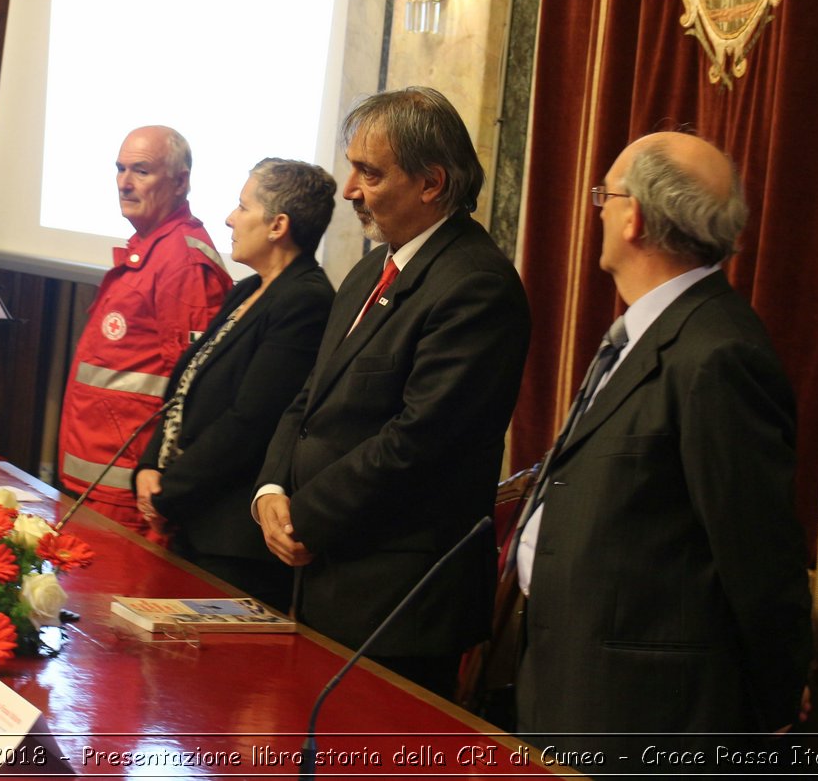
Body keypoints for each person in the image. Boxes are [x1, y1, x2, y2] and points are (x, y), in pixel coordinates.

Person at [513, 132, 811, 757]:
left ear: (636, 217)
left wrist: (777, 704)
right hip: (574, 681)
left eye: (606, 195)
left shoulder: (718, 354)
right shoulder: (648, 330)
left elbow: (758, 554)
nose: (598, 208)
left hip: (648, 715)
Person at [255, 87, 531, 697]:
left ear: (431, 182)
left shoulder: (476, 286)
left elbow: (419, 441)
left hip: (398, 600)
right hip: (322, 572)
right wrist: (272, 489)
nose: (349, 188)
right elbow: (309, 400)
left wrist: (305, 513)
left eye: (369, 172)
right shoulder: (366, 272)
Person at [133, 158, 336, 610]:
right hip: (194, 518)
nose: (229, 218)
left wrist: (170, 490)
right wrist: (149, 466)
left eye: (243, 207)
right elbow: (186, 387)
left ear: (278, 225)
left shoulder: (306, 300)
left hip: (232, 541)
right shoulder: (248, 290)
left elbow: (252, 422)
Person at [58, 125, 231, 530]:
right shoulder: (150, 249)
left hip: (128, 492)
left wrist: (160, 479)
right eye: (120, 169)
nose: (124, 183)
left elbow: (193, 389)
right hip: (98, 480)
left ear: (180, 181)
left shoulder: (183, 264)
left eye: (141, 171)